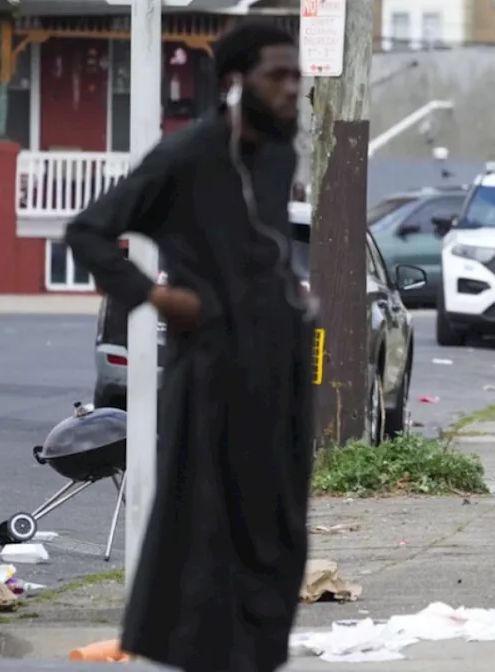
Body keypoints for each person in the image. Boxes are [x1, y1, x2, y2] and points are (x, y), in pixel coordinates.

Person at [63, 22, 311, 672]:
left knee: (277, 535)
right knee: (210, 537)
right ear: (235, 81)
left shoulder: (278, 155)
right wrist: (157, 296)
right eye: (277, 76)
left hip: (277, 372)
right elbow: (89, 231)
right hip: (213, 374)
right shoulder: (191, 155)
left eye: (297, 77)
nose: (292, 89)